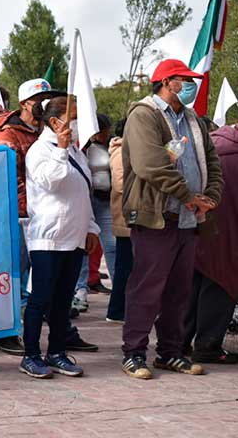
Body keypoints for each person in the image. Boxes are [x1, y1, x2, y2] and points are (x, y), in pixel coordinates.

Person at [121, 58, 223, 379]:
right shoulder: (144, 115)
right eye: (185, 79)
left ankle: (170, 352)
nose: (192, 85)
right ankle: (134, 353)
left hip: (188, 219)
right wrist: (189, 195)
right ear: (167, 82)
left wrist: (211, 199)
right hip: (157, 217)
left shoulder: (193, 120)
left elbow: (213, 164)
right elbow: (150, 164)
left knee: (179, 291)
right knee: (147, 289)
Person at [19, 96, 99, 379]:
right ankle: (31, 355)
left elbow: (82, 191)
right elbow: (53, 181)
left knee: (63, 300)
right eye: (74, 117)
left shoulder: (76, 151)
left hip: (74, 236)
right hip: (48, 237)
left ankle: (56, 352)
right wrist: (61, 150)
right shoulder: (41, 150)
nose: (78, 124)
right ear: (55, 122)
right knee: (40, 299)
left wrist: (91, 228)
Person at [0, 78, 63, 356]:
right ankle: (7, 333)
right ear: (24, 104)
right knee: (15, 277)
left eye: (49, 98)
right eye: (38, 99)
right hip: (18, 213)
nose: (44, 104)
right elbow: (7, 172)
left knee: (43, 279)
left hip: (44, 213)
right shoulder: (8, 133)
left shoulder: (51, 131)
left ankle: (56, 332)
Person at [183, 122, 238, 364]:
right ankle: (207, 344)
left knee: (194, 284)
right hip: (228, 229)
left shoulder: (208, 143)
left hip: (199, 222)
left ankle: (178, 341)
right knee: (221, 284)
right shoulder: (232, 151)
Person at [72, 114, 116, 311]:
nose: (101, 133)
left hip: (106, 200)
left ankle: (120, 291)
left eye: (103, 129)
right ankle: (80, 291)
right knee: (82, 247)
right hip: (86, 201)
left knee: (112, 245)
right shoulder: (80, 147)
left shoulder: (112, 146)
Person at [106, 118, 131, 323]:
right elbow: (121, 183)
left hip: (133, 216)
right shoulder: (120, 150)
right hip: (125, 217)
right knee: (125, 267)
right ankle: (117, 311)